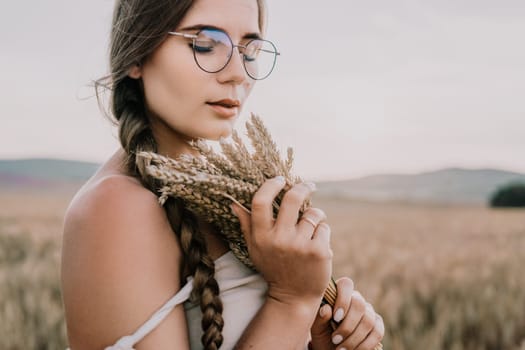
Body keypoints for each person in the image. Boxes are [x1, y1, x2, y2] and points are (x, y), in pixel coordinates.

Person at [61, 0, 385, 349]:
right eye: (205, 44)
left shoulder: (221, 195)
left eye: (250, 50)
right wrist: (293, 302)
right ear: (137, 55)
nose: (239, 74)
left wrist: (318, 339)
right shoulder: (115, 209)